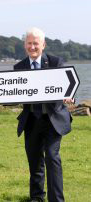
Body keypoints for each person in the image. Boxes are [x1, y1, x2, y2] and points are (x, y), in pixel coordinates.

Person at [13, 27, 73, 202]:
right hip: (31, 120)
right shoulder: (19, 67)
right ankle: (37, 198)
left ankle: (56, 200)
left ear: (43, 45)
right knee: (34, 161)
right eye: (29, 43)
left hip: (53, 119)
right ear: (25, 45)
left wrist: (68, 94)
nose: (32, 47)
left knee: (52, 158)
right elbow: (13, 94)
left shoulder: (56, 63)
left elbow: (66, 85)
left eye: (35, 43)